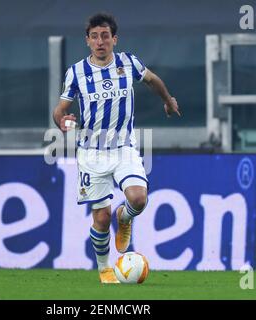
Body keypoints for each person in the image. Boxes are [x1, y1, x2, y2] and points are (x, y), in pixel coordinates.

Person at [52, 12, 180, 283]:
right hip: (91, 153)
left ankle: (126, 217)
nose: (100, 42)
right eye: (95, 36)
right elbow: (60, 109)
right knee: (100, 217)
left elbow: (153, 80)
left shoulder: (128, 63)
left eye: (105, 36)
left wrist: (167, 100)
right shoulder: (76, 72)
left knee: (138, 199)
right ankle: (104, 268)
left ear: (114, 39)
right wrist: (63, 121)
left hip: (124, 148)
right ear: (87, 41)